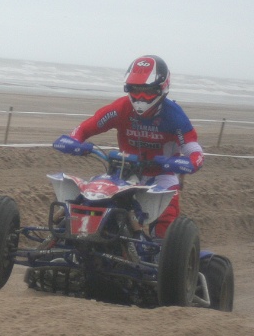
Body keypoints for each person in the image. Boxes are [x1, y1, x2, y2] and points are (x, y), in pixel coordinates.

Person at [55, 54, 204, 237]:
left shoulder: (174, 116)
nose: (140, 98)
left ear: (162, 88)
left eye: (147, 92)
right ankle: (67, 232)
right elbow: (87, 127)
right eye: (135, 90)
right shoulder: (120, 108)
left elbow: (193, 149)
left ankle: (160, 253)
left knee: (167, 216)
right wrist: (74, 140)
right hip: (123, 172)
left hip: (161, 175)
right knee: (90, 197)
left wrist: (188, 162)